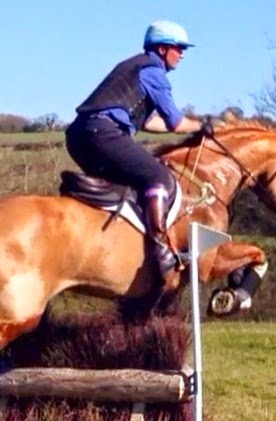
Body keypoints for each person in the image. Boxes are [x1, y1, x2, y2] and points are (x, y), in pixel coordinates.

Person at [65, 20, 213, 276]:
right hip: (104, 133)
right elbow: (175, 122)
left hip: (80, 135)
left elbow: (149, 122)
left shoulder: (134, 66)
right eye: (178, 48)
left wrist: (188, 126)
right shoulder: (153, 72)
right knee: (158, 177)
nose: (182, 54)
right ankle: (160, 246)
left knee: (125, 189)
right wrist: (202, 125)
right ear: (163, 49)